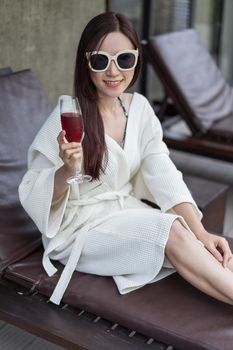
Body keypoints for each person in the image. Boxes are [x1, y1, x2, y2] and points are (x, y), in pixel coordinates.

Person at [19, 11, 233, 306]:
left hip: (123, 212)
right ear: (86, 63)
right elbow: (33, 190)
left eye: (124, 59)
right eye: (100, 60)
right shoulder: (68, 116)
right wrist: (66, 170)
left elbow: (164, 174)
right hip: (78, 229)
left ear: (136, 59)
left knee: (189, 234)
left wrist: (202, 232)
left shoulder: (140, 109)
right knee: (170, 231)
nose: (113, 72)